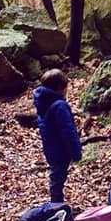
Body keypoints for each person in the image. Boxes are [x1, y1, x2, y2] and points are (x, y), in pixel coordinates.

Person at [33, 69, 83, 203]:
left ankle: (56, 202)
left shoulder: (43, 102)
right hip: (61, 149)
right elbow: (68, 131)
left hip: (51, 148)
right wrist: (76, 152)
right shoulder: (59, 106)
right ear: (61, 88)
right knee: (58, 178)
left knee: (56, 175)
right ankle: (56, 204)